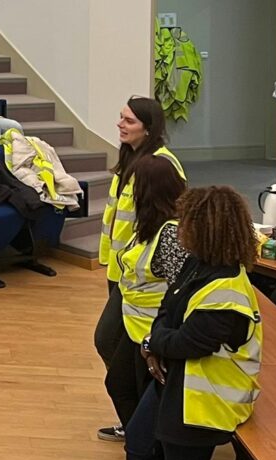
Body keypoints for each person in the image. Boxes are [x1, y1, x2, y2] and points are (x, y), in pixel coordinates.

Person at [124, 185, 262, 460]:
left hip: (203, 404)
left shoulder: (226, 290)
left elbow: (186, 344)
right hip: (176, 380)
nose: (179, 229)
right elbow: (167, 307)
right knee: (139, 443)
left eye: (185, 223)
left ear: (206, 231)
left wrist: (151, 343)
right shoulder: (197, 263)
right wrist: (153, 342)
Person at [95, 96, 187, 441]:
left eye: (129, 121)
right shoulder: (128, 159)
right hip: (123, 271)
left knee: (109, 341)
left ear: (149, 128)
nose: (121, 125)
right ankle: (138, 423)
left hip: (143, 280)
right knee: (116, 350)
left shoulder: (161, 165)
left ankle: (142, 424)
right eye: (121, 118)